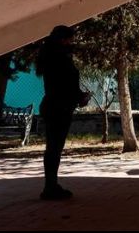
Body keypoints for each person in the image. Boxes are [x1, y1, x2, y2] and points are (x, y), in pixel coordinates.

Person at [36, 25, 89, 200]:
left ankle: (51, 185)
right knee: (54, 148)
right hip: (60, 107)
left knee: (53, 147)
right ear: (63, 39)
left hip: (53, 105)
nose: (71, 43)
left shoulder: (49, 56)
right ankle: (50, 187)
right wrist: (80, 97)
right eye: (69, 39)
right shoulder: (60, 58)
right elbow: (66, 84)